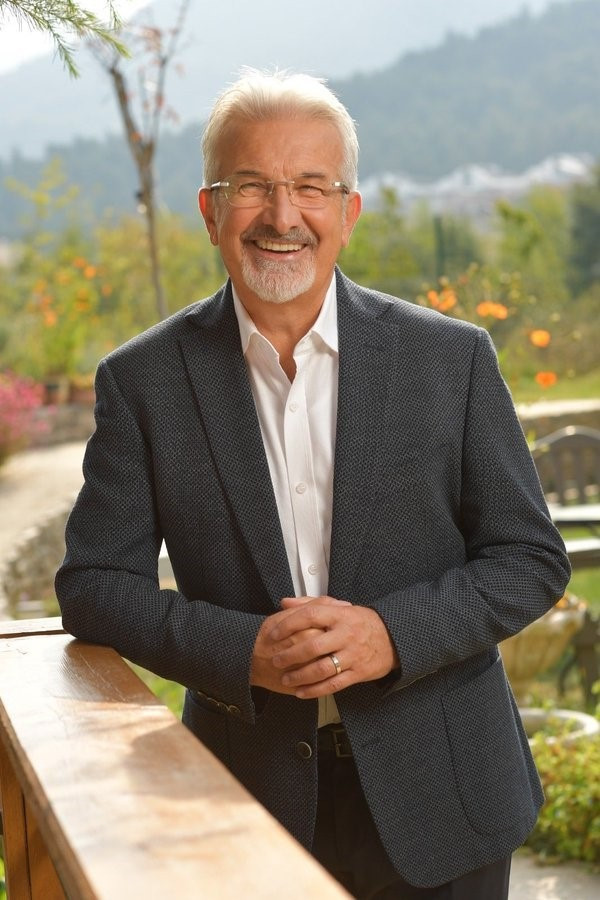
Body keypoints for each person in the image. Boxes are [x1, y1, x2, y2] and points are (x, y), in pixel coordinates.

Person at [56, 69, 570, 899]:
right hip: (246, 801)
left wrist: (391, 634)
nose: (282, 216)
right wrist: (242, 651)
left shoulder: (451, 359)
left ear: (349, 212)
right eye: (251, 186)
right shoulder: (143, 382)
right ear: (210, 210)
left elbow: (529, 559)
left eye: (310, 187)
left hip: (446, 798)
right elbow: (94, 587)